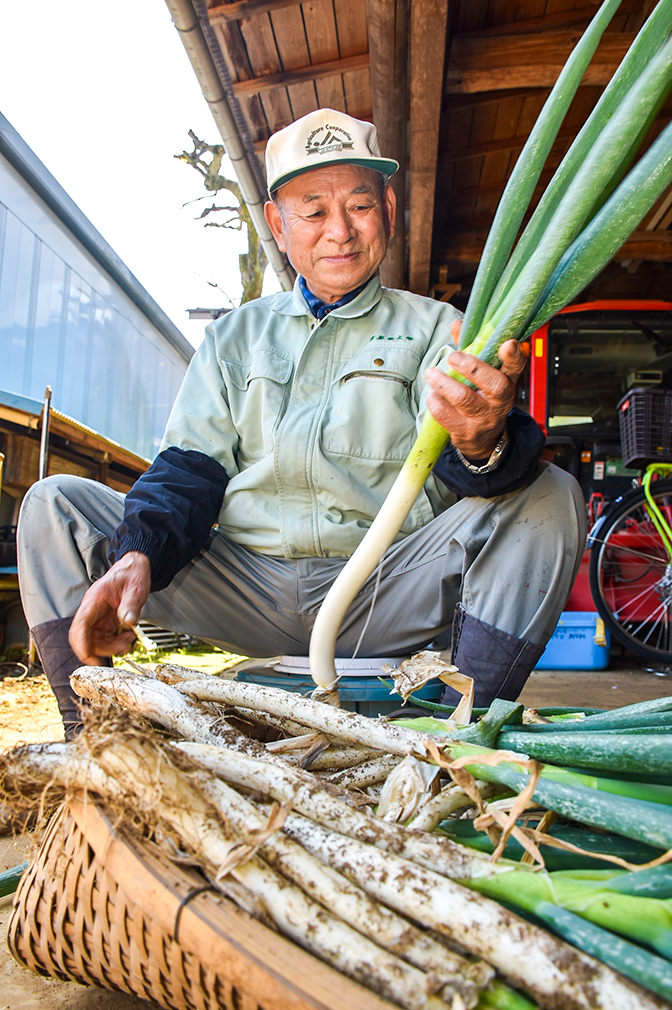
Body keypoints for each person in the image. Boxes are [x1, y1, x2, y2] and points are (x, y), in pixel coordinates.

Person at [17, 108, 586, 738]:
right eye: (313, 211)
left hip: (385, 589)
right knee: (53, 503)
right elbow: (189, 469)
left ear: (389, 211)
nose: (339, 230)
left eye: (360, 206)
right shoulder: (235, 335)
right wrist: (135, 553)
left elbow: (476, 469)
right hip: (246, 588)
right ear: (278, 224)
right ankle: (94, 740)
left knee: (550, 494)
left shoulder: (442, 328)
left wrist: (483, 439)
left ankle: (466, 737)